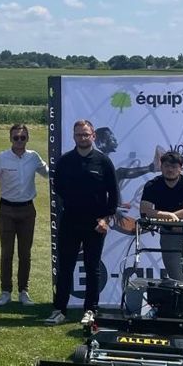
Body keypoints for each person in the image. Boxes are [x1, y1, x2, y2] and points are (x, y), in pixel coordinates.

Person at [44, 119, 118, 326]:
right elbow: (58, 188)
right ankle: (60, 309)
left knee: (92, 267)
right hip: (70, 221)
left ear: (93, 136)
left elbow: (113, 194)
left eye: (86, 134)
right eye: (79, 134)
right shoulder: (65, 161)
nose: (83, 138)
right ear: (73, 136)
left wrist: (105, 219)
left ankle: (90, 310)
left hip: (96, 223)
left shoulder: (103, 161)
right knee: (65, 266)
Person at [0, 123, 48, 306]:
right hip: (7, 211)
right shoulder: (1, 158)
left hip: (27, 210)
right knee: (7, 253)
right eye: (16, 137)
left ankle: (23, 291)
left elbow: (48, 174)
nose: (19, 141)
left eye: (23, 137)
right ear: (10, 138)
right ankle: (5, 291)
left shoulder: (33, 157)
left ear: (27, 138)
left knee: (25, 253)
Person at [139, 150, 183, 284]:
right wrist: (167, 215)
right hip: (168, 231)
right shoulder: (152, 185)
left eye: (174, 166)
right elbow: (144, 210)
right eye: (166, 166)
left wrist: (168, 215)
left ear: (181, 168)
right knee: (174, 273)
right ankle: (180, 295)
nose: (170, 170)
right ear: (161, 167)